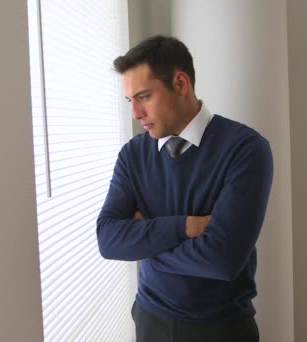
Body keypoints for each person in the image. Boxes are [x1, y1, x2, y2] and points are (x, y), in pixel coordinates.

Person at [96, 35, 273, 342]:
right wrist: (187, 227)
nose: (135, 113)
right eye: (130, 101)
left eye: (144, 97)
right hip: (150, 322)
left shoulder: (246, 150)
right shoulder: (133, 154)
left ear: (180, 83)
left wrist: (145, 244)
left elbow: (222, 259)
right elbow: (109, 240)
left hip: (222, 330)